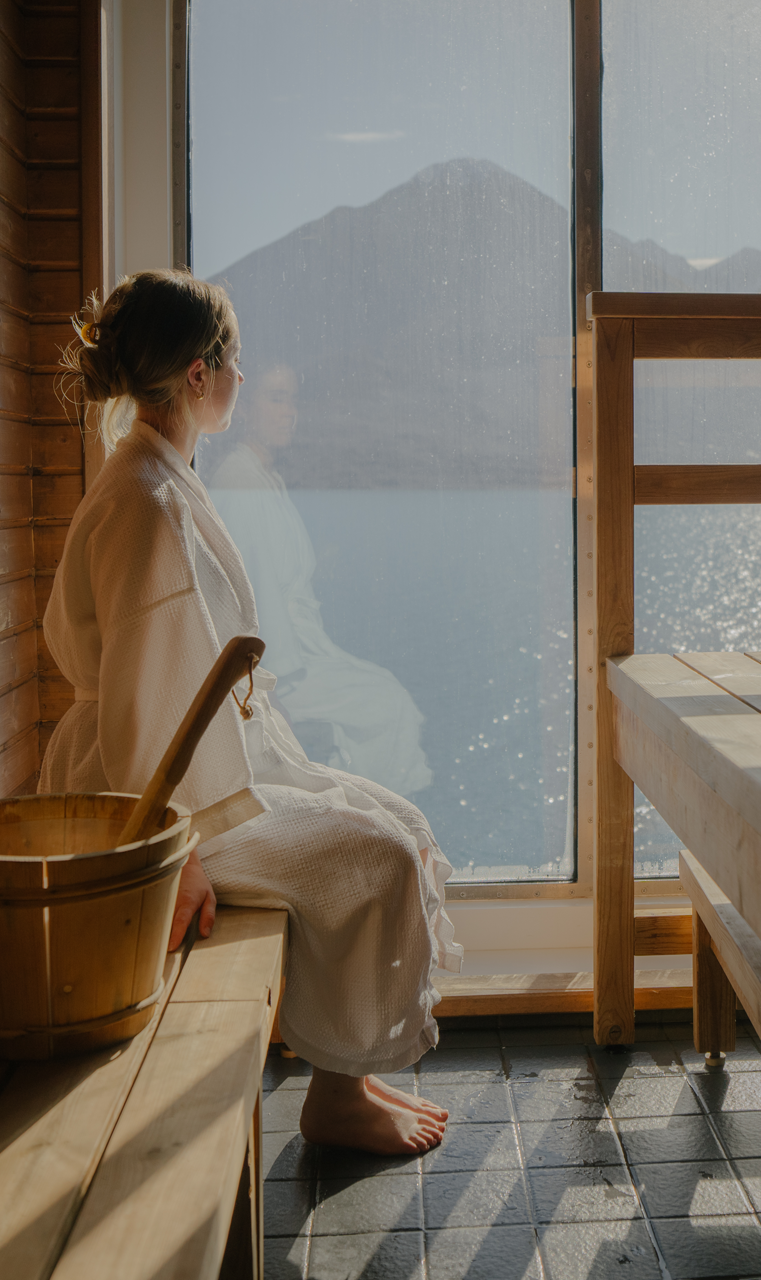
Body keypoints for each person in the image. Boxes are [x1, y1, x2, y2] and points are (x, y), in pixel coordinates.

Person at [40, 270, 461, 1155]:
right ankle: (335, 1098)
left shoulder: (162, 477)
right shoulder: (148, 503)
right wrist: (173, 850)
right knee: (378, 858)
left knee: (402, 822)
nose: (245, 374)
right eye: (237, 360)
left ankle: (347, 1067)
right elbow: (138, 710)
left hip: (190, 769)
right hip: (154, 797)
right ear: (201, 374)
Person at [208, 363, 432, 794]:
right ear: (247, 406)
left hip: (299, 650)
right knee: (390, 704)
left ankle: (382, 819)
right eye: (276, 398)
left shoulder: (264, 477)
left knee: (388, 693)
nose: (289, 411)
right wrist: (274, 694)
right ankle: (379, 822)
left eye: (293, 399)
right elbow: (255, 596)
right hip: (277, 667)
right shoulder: (239, 483)